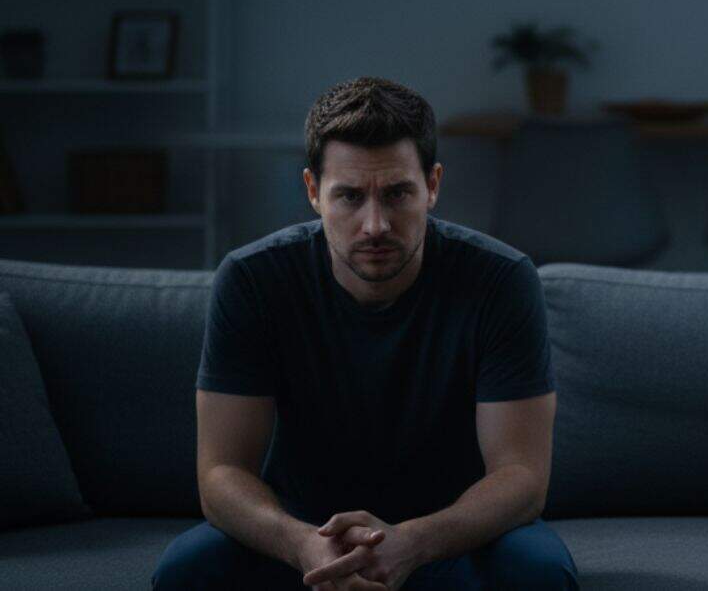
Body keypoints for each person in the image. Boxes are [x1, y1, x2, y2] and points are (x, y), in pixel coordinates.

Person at [152, 77, 578, 590]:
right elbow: (221, 474)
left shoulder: (501, 280)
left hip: (451, 533)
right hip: (304, 534)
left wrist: (412, 544)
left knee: (539, 574)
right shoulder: (252, 279)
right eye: (349, 196)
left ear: (433, 185)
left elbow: (522, 479)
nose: (375, 224)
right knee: (186, 572)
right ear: (313, 191)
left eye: (397, 193)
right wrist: (303, 545)